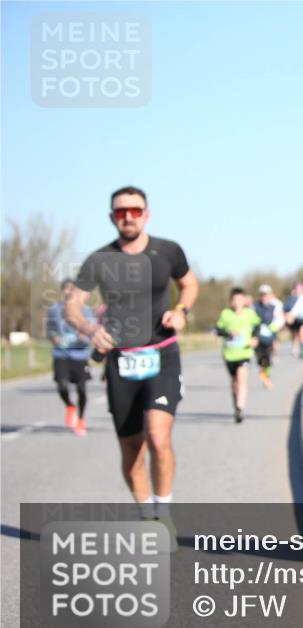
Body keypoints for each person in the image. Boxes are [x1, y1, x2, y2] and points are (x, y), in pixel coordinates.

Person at [66, 185, 199, 532]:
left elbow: (190, 285)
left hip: (161, 353)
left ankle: (164, 513)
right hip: (121, 361)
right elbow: (72, 306)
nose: (128, 217)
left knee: (158, 436)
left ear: (147, 214)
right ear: (112, 218)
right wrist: (89, 329)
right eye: (121, 212)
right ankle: (145, 516)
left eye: (135, 211)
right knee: (132, 450)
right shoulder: (99, 259)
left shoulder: (168, 251)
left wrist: (182, 310)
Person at [46, 279, 96, 436]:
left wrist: (85, 335)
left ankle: (81, 419)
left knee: (82, 389)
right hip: (61, 353)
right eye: (66, 289)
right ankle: (70, 405)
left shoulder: (86, 310)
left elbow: (92, 329)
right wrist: (53, 337)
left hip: (80, 354)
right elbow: (50, 328)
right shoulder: (54, 309)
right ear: (62, 291)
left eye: (72, 289)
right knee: (62, 385)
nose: (69, 292)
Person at [215, 287, 260, 423]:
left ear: (244, 300)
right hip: (229, 354)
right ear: (231, 301)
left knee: (242, 379)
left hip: (245, 352)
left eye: (240, 299)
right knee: (234, 381)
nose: (237, 302)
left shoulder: (250, 313)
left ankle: (240, 409)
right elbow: (218, 330)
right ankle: (236, 403)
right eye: (235, 300)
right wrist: (229, 333)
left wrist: (255, 338)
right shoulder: (225, 314)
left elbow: (257, 326)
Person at [253, 284, 284, 389]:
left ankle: (266, 379)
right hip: (258, 338)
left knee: (267, 361)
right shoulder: (255, 307)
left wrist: (275, 325)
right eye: (262, 295)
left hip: (269, 338)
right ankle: (265, 378)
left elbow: (280, 320)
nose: (264, 297)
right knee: (261, 361)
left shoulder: (274, 307)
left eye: (266, 295)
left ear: (270, 295)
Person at [284, 283, 303, 359]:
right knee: (295, 334)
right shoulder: (291, 298)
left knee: (301, 332)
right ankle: (296, 347)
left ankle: (302, 346)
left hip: (302, 318)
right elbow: (287, 307)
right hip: (294, 318)